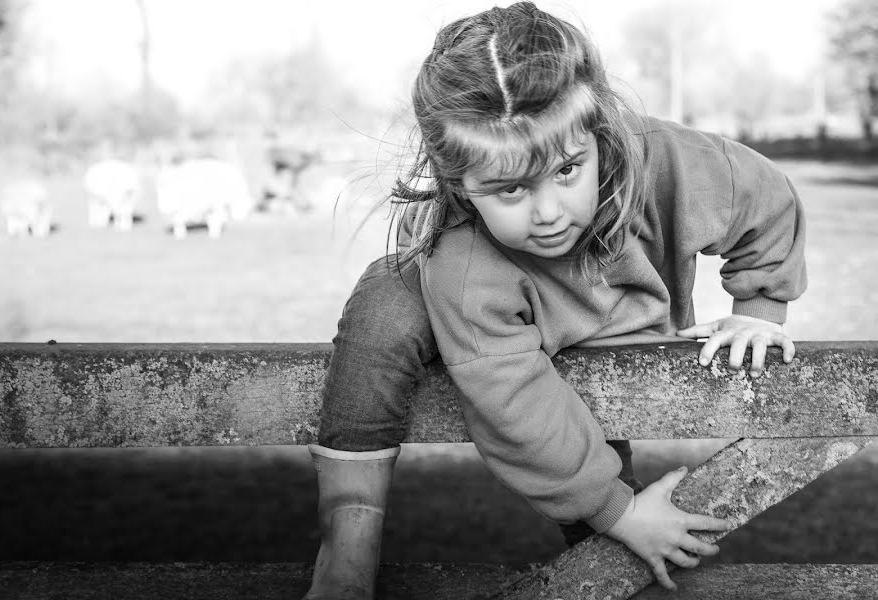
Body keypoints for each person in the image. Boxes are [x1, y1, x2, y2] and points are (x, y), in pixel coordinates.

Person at [303, 3, 806, 598]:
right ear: (455, 178)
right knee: (388, 299)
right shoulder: (464, 266)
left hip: (608, 330)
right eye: (509, 187)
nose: (547, 214)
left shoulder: (667, 161)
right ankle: (348, 544)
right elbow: (515, 401)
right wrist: (617, 509)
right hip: (511, 351)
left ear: (596, 131)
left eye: (568, 170)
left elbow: (764, 200)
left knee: (624, 554)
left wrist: (759, 308)